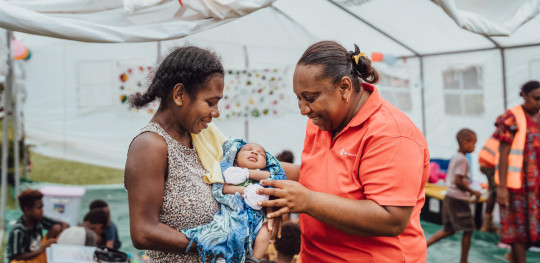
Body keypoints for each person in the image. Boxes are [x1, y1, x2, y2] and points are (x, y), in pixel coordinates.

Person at [257, 41, 430, 262]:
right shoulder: (322, 122)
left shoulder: (392, 135)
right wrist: (269, 168)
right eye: (298, 98)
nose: (303, 110)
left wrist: (308, 201)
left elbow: (392, 218)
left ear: (345, 87)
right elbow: (319, 175)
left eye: (310, 98)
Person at [124, 46, 279, 262]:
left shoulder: (202, 138)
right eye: (210, 102)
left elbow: (259, 167)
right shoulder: (150, 146)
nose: (216, 112)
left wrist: (281, 195)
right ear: (179, 95)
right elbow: (143, 232)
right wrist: (218, 243)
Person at [182, 141, 285, 262]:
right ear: (235, 159)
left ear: (265, 163)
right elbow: (224, 189)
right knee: (226, 231)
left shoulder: (264, 175)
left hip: (256, 220)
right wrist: (246, 191)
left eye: (261, 153)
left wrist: (249, 174)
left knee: (267, 230)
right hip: (235, 215)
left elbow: (271, 178)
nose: (254, 152)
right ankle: (222, 255)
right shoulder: (233, 172)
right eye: (248, 150)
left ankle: (254, 259)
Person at [494, 80, 540, 263]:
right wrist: (502, 188)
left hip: (536, 188)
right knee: (518, 233)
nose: (539, 103)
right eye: (536, 99)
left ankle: (512, 257)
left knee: (533, 232)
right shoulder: (512, 117)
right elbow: (503, 154)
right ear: (524, 96)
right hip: (516, 187)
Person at [426, 128, 481, 263]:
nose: (474, 146)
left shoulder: (456, 157)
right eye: (472, 143)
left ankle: (423, 246)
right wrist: (473, 191)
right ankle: (464, 260)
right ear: (463, 142)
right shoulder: (463, 160)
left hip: (449, 197)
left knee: (448, 229)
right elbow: (458, 181)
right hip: (458, 199)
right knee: (468, 229)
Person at [6, 189, 68, 263]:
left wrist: (59, 238)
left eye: (42, 207)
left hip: (37, 255)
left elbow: (64, 224)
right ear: (27, 210)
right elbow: (17, 257)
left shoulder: (39, 219)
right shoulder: (18, 230)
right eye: (39, 208)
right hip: (25, 260)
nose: (42, 210)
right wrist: (43, 248)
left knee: (57, 228)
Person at [478, 135, 499, 232]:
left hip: (486, 160)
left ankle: (487, 223)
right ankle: (486, 225)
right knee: (494, 192)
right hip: (491, 163)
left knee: (493, 192)